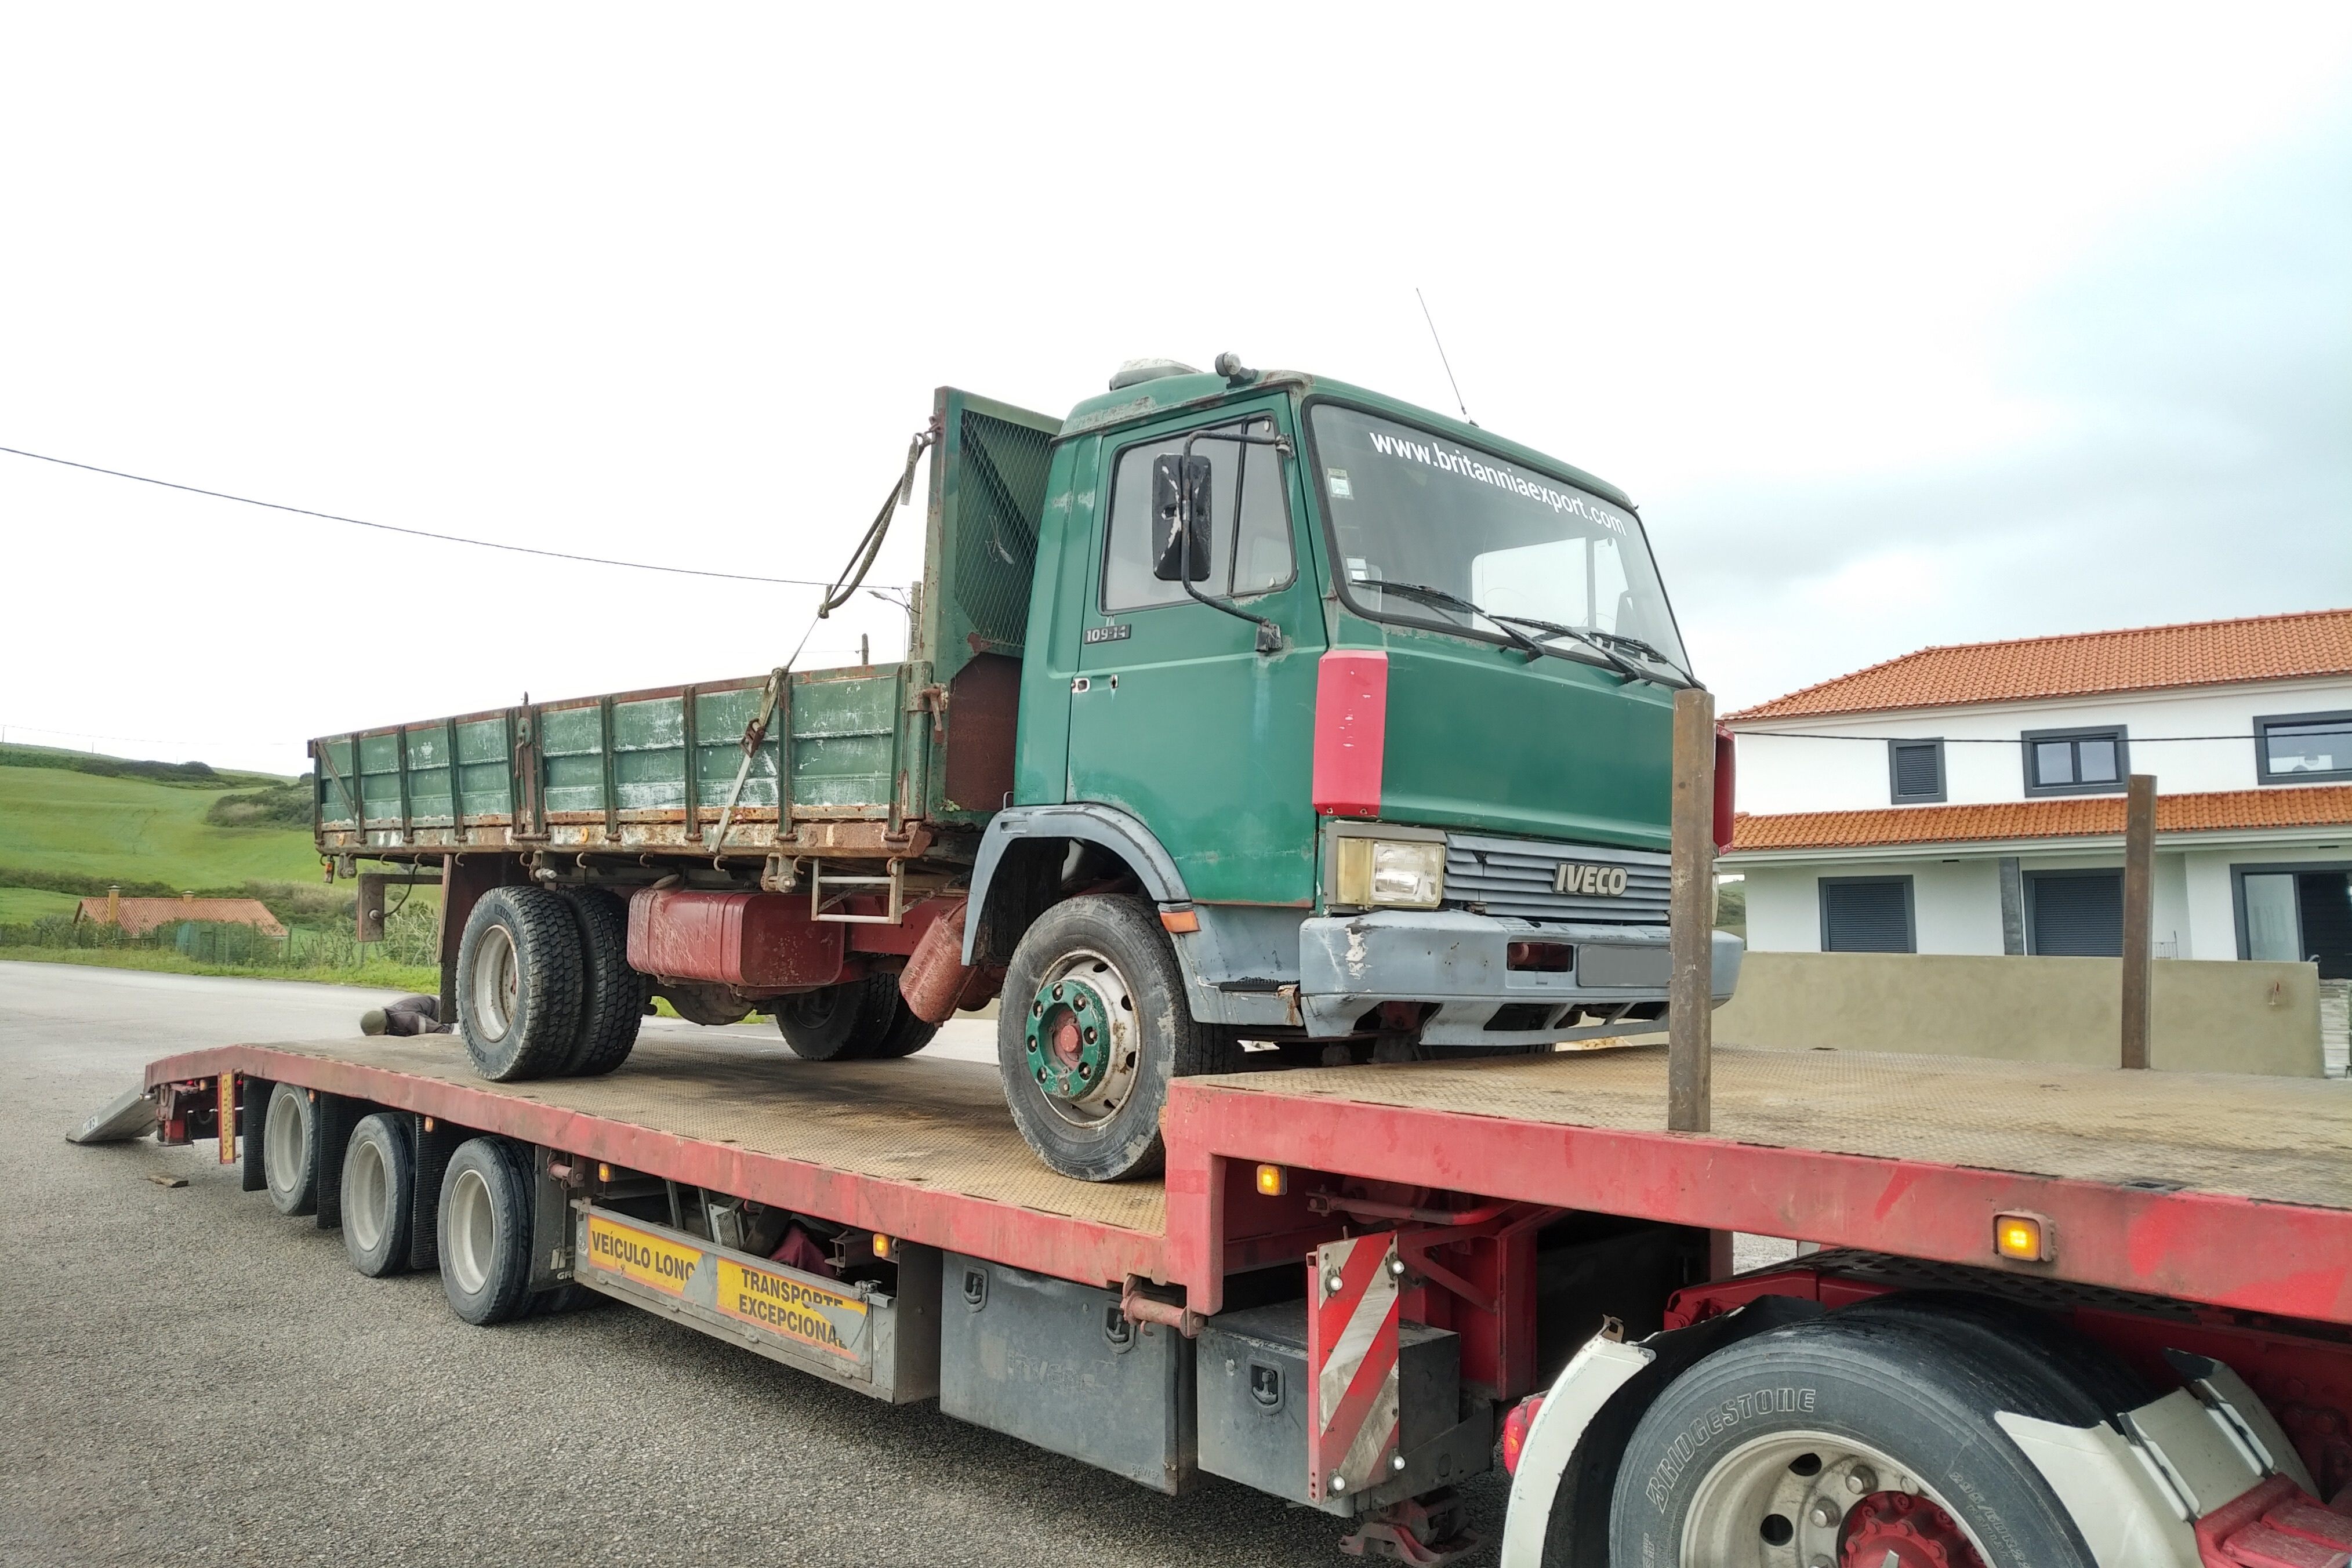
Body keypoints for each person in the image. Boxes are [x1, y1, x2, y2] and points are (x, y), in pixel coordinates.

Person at [360, 994, 451, 1037]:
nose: (373, 1038)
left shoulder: (408, 1020)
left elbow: (441, 1031)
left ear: (384, 1026)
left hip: (443, 1018)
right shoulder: (387, 1018)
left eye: (376, 1035)